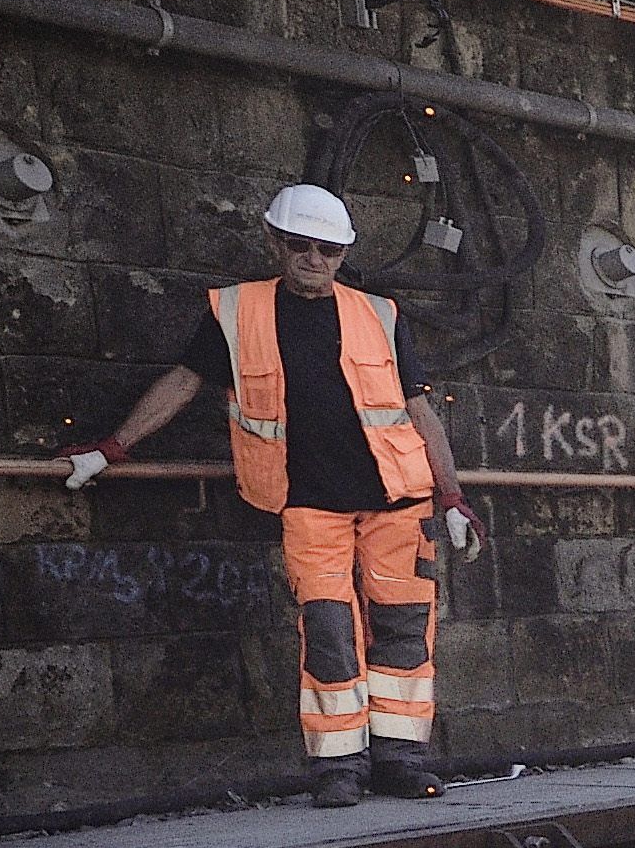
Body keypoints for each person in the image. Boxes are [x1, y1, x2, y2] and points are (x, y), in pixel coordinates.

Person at [68, 183, 480, 807]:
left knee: (404, 628)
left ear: (344, 252)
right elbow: (183, 383)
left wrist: (451, 496)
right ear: (274, 242)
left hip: (399, 501)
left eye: (329, 249)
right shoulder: (237, 312)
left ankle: (401, 757)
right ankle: (339, 766)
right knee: (329, 629)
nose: (315, 259)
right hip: (309, 503)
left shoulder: (379, 314)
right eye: (301, 245)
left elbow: (419, 410)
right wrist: (112, 447)